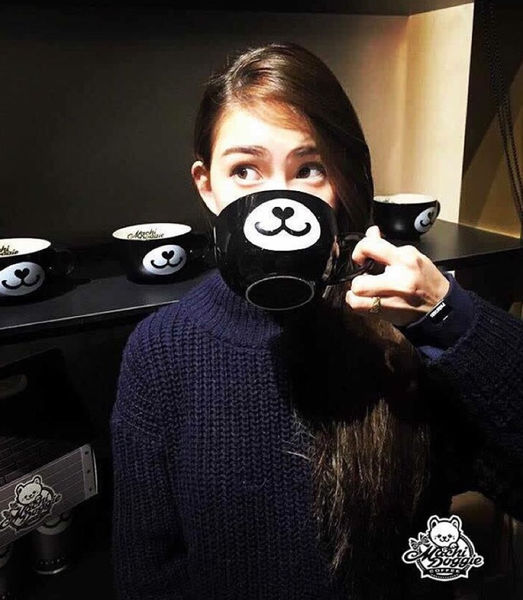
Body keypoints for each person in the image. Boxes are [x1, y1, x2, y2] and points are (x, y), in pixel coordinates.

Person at [110, 42, 523, 600]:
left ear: (341, 183)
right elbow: (147, 573)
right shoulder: (161, 351)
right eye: (245, 171)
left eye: (309, 169)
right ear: (207, 186)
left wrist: (452, 319)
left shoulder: (397, 328)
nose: (279, 198)